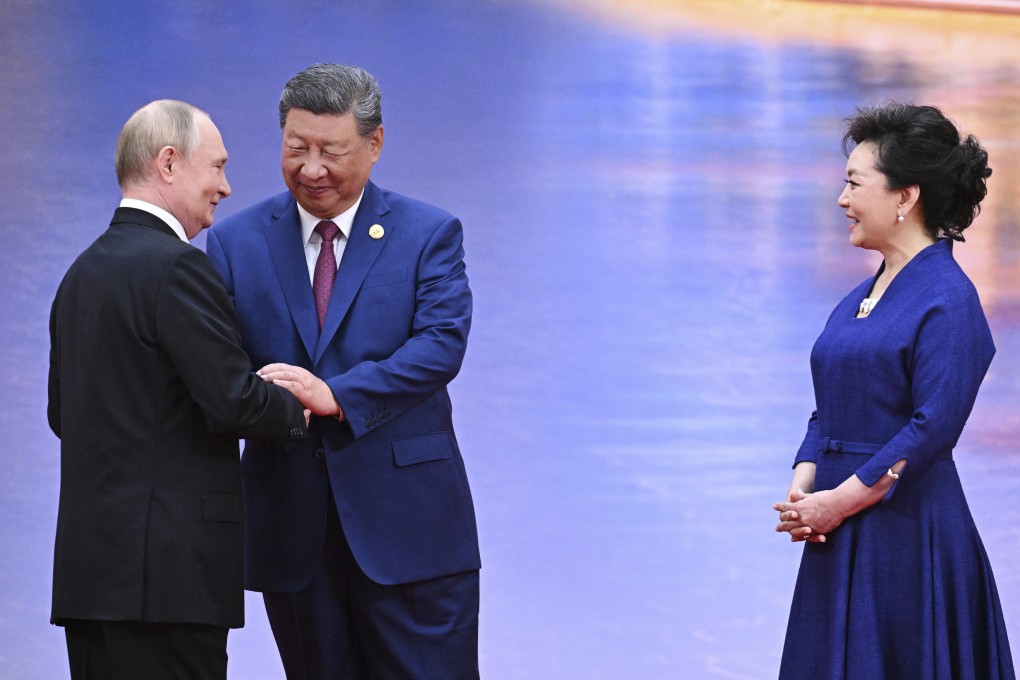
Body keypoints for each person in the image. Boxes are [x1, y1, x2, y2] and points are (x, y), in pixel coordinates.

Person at [206, 63, 480, 678]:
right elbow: (217, 367)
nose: (311, 169)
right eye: (295, 148)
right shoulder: (237, 244)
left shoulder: (428, 233)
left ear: (375, 143)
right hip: (293, 531)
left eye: (331, 151)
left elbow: (440, 345)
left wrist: (335, 395)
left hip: (412, 529)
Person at [47, 99, 310, 680]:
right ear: (169, 163)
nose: (225, 185)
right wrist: (303, 405)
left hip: (93, 584)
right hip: (167, 585)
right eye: (215, 167)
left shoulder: (80, 276)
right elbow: (233, 400)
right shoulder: (179, 269)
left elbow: (64, 415)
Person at [773, 104, 1015, 678]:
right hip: (837, 527)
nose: (841, 199)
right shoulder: (865, 291)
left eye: (854, 184)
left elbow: (932, 428)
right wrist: (806, 478)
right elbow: (832, 396)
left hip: (907, 538)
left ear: (905, 197)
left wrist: (841, 499)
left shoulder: (948, 300)